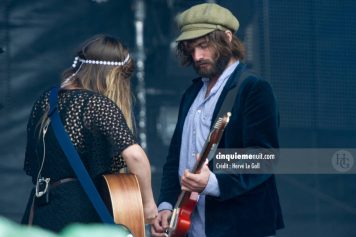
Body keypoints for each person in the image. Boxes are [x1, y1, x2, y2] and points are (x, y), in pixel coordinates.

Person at [151, 3, 284, 237]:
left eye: (204, 46)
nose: (197, 56)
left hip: (238, 226)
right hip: (189, 226)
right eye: (190, 49)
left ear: (227, 38)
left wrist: (213, 181)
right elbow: (175, 159)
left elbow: (265, 156)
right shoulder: (192, 94)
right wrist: (166, 205)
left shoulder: (253, 88)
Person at [21, 34, 158, 232]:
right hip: (79, 211)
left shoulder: (47, 100)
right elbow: (135, 157)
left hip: (41, 209)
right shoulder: (95, 103)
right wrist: (148, 204)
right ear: (112, 76)